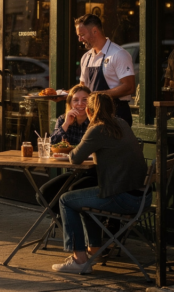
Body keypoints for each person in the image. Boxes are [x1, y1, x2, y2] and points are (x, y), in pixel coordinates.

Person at [53, 93, 149, 275]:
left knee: (66, 200)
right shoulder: (121, 123)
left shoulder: (97, 128)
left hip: (124, 197)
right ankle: (94, 250)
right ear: (112, 109)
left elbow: (74, 158)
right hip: (143, 196)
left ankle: (79, 260)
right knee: (82, 196)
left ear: (89, 110)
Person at [37, 84, 96, 214]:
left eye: (85, 100)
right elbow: (53, 145)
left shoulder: (95, 121)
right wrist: (66, 124)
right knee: (43, 194)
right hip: (73, 171)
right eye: (75, 100)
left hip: (93, 173)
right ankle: (66, 221)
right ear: (70, 103)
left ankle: (74, 224)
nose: (80, 104)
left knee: (71, 193)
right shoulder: (63, 119)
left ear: (91, 102)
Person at [75, 14, 136, 126]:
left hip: (116, 116)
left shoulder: (118, 54)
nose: (80, 39)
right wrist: (64, 94)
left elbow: (129, 87)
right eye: (78, 36)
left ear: (94, 31)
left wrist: (96, 95)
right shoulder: (86, 57)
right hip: (92, 116)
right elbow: (82, 87)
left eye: (82, 35)